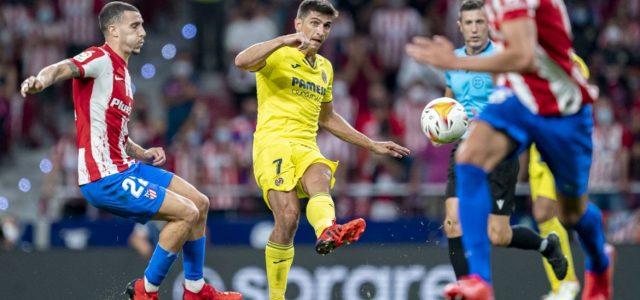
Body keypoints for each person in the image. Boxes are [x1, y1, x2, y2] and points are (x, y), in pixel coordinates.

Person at [20, 2, 241, 299]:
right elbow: (63, 67)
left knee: (200, 203)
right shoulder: (99, 58)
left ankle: (196, 289)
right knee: (186, 214)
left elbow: (119, 136)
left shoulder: (124, 74)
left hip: (126, 166)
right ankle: (145, 291)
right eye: (135, 26)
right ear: (113, 30)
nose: (143, 32)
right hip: (103, 177)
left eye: (142, 25)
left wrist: (143, 152)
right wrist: (39, 81)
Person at [406, 0, 614, 299]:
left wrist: (455, 63)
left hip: (561, 107)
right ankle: (479, 280)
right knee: (469, 158)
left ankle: (600, 263)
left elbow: (524, 56)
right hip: (516, 97)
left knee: (572, 213)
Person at [234, 1, 410, 299]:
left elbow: (327, 118)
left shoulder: (325, 69)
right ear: (298, 24)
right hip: (272, 143)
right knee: (288, 219)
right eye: (314, 23)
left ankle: (327, 230)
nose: (320, 31)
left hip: (305, 144)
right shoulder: (278, 54)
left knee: (322, 174)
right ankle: (276, 296)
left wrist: (371, 143)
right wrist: (281, 41)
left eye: (326, 26)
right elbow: (241, 61)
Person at [441, 0, 567, 287]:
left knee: (498, 234)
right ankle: (468, 289)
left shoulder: (503, 57)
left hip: (498, 151)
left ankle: (546, 246)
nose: (474, 29)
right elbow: (448, 105)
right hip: (464, 149)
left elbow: (516, 99)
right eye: (469, 23)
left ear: (489, 25)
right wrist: (441, 128)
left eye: (479, 22)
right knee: (452, 222)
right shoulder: (453, 61)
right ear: (460, 26)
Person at [529, 53, 591, 300]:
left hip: (561, 143)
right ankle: (562, 285)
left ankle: (585, 273)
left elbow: (574, 101)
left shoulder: (572, 61)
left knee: (561, 213)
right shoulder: (529, 58)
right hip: (538, 150)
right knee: (544, 216)